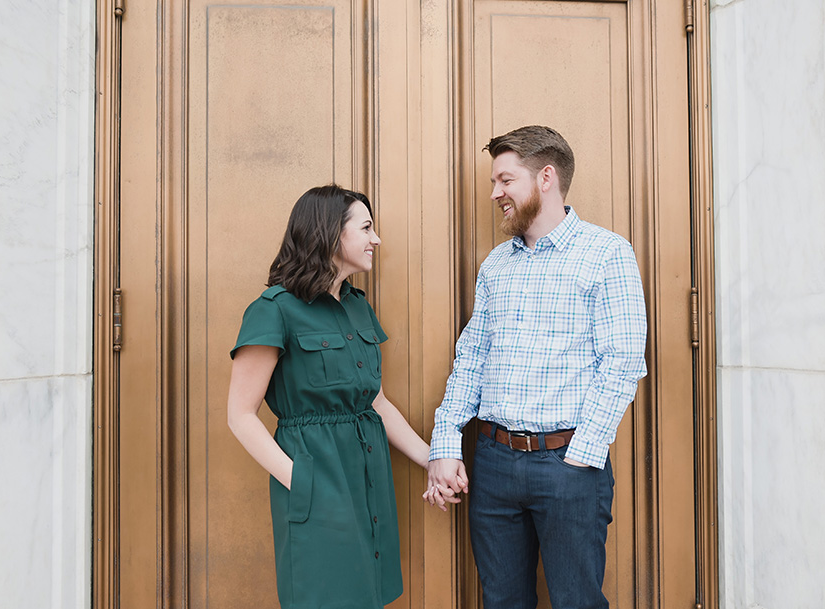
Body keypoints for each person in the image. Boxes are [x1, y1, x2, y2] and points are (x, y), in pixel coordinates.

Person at [424, 126, 648, 609]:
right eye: (494, 182)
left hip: (568, 464)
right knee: (502, 602)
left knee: (577, 602)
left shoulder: (607, 253)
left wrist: (581, 456)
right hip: (494, 464)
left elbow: (624, 361)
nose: (494, 194)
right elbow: (472, 359)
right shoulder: (496, 265)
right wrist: (445, 443)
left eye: (505, 180)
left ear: (546, 177)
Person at [227, 184, 434, 609]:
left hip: (369, 478)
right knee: (323, 596)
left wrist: (434, 458)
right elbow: (240, 415)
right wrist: (302, 483)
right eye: (366, 228)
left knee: (368, 595)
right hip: (317, 480)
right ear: (329, 234)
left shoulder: (358, 306)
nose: (376, 239)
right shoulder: (274, 309)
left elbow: (375, 402)